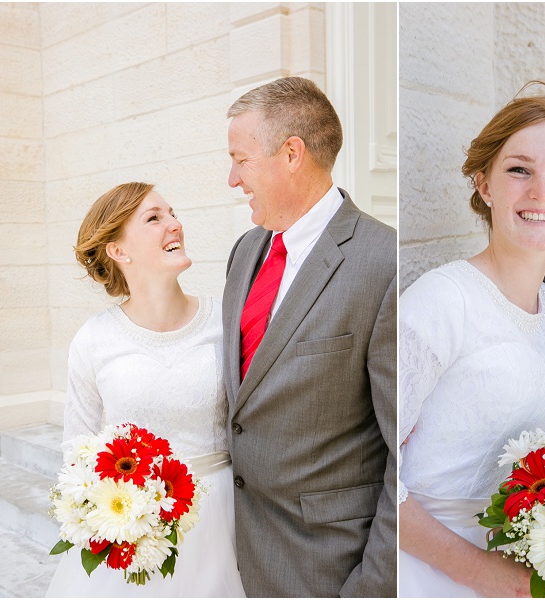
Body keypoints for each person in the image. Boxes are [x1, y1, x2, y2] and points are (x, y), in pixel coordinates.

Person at [399, 84, 545, 597]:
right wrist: (482, 574)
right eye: (519, 170)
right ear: (484, 184)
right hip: (426, 570)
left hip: (514, 566)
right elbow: (361, 463)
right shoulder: (443, 301)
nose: (540, 191)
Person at [222, 77, 396, 596]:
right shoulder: (244, 252)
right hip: (234, 555)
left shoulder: (383, 262)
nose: (232, 178)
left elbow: (404, 456)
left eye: (241, 159)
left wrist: (371, 587)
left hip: (326, 568)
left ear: (292, 154)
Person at [47, 182, 246, 597]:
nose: (174, 225)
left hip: (223, 517)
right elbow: (77, 447)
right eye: (154, 218)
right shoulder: (94, 339)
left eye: (172, 213)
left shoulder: (226, 322)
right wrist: (105, 514)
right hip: (134, 527)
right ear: (119, 251)